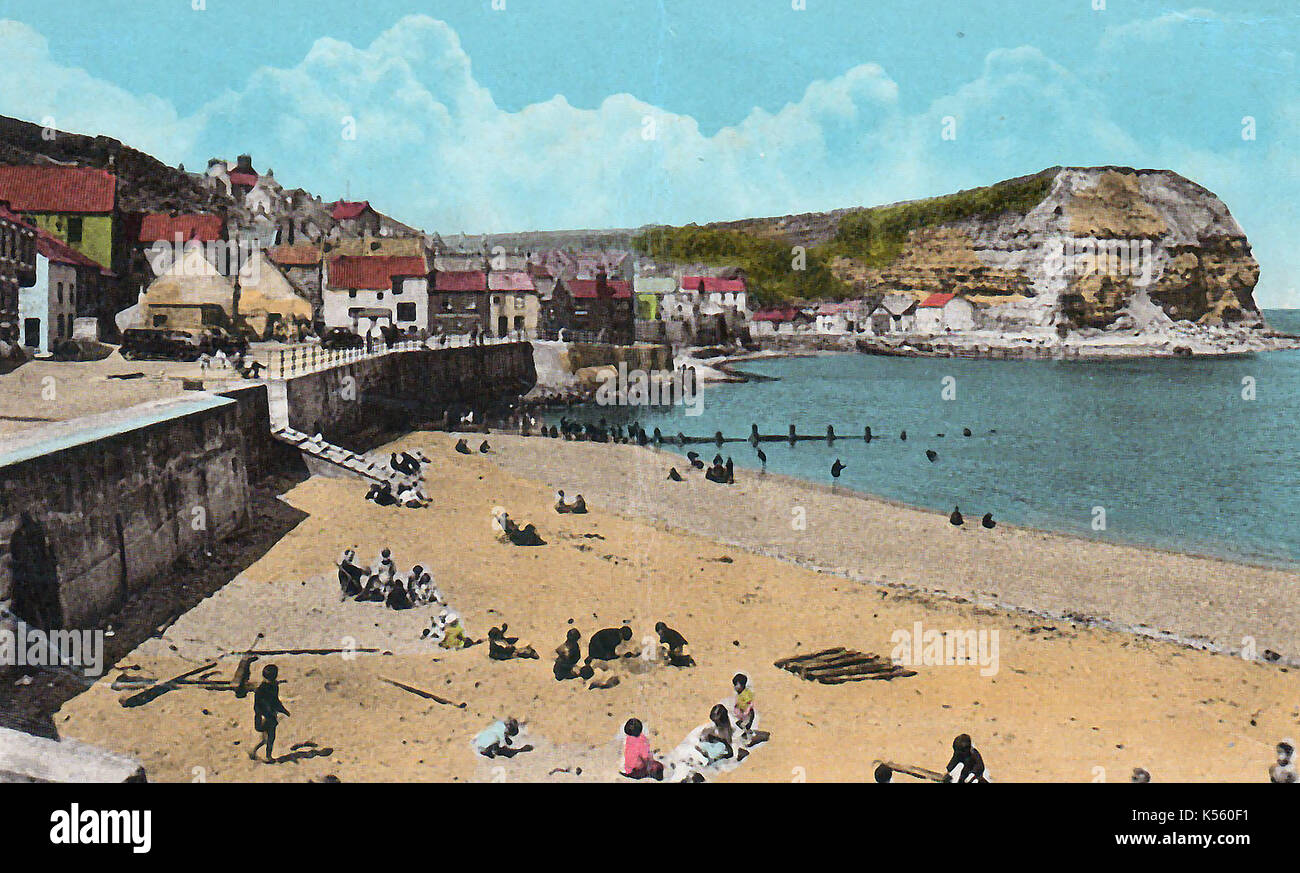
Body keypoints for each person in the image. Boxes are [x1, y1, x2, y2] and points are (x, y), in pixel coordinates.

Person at [248, 664, 290, 763]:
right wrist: (263, 716)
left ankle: (261, 754)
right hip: (264, 717)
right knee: (267, 738)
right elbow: (257, 706)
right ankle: (260, 753)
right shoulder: (261, 690)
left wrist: (283, 710)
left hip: (270, 716)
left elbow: (276, 701)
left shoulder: (273, 686)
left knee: (269, 737)